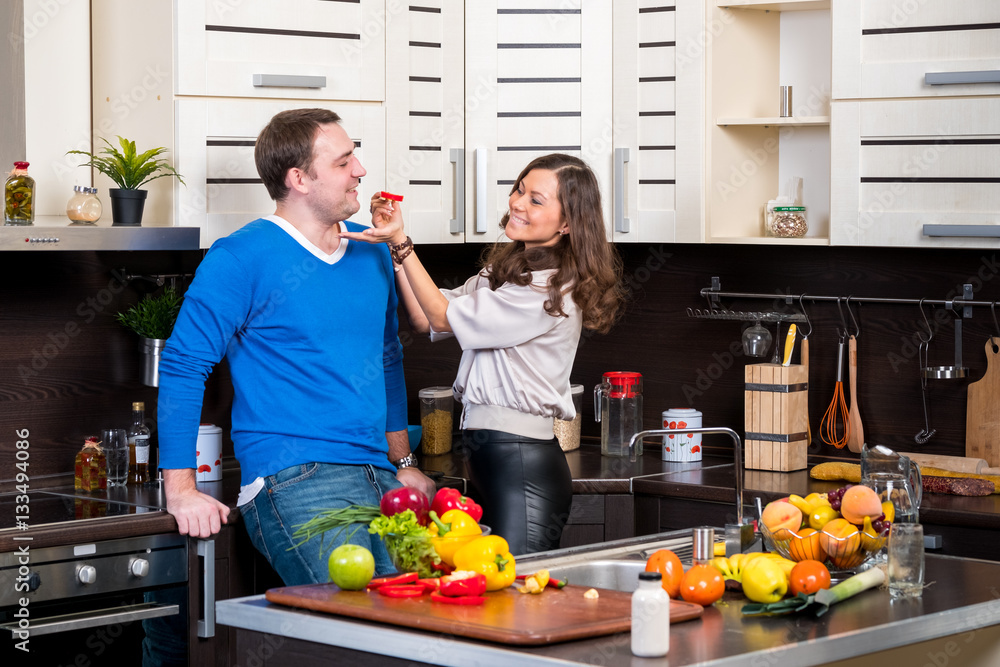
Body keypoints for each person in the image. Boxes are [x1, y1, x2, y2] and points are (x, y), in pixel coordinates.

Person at [156, 108, 436, 586]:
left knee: (426, 616)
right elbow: (183, 366)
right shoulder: (240, 257)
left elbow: (387, 359)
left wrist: (403, 462)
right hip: (295, 478)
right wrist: (180, 489)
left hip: (378, 477)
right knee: (360, 627)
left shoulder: (372, 252)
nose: (361, 172)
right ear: (299, 178)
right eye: (345, 162)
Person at [342, 153, 625, 555]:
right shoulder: (508, 272)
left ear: (567, 224)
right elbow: (428, 317)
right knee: (493, 598)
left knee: (514, 601)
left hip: (522, 461)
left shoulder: (550, 290)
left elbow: (441, 317)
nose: (517, 202)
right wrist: (393, 247)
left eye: (536, 200)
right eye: (519, 189)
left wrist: (402, 244)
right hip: (492, 456)